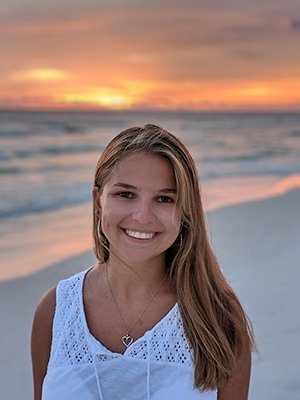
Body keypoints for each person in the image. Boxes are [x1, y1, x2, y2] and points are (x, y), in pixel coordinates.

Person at [31, 124, 254, 400]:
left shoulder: (217, 315)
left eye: (164, 199)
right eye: (125, 194)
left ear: (185, 211)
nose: (142, 216)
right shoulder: (55, 311)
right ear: (98, 201)